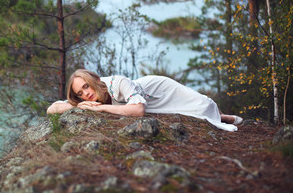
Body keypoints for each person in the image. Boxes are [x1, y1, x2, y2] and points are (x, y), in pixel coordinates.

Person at [47, 69, 243, 132]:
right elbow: (51, 109)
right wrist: (77, 105)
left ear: (96, 80)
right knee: (191, 114)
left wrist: (101, 109)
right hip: (153, 105)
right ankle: (223, 117)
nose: (85, 94)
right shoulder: (84, 100)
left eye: (86, 86)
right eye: (80, 93)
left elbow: (139, 110)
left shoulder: (118, 83)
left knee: (203, 106)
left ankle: (222, 116)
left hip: (158, 90)